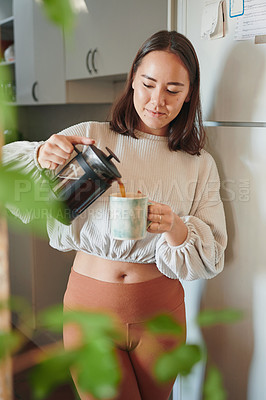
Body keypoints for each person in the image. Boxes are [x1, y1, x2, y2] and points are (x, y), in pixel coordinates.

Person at [2, 30, 227, 400]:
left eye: (173, 90)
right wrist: (41, 154)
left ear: (190, 94)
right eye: (149, 84)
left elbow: (213, 251)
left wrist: (175, 226)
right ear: (132, 80)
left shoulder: (199, 164)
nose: (158, 101)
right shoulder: (90, 138)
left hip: (161, 314)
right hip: (89, 312)